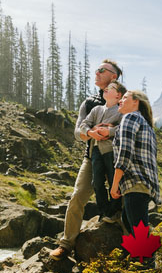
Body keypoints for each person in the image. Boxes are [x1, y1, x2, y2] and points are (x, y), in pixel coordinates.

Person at [50, 59, 123, 260]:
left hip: (121, 160)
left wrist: (110, 132)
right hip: (92, 158)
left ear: (113, 77)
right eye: (96, 69)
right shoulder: (90, 102)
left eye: (102, 70)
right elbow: (77, 132)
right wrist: (90, 133)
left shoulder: (125, 100)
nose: (97, 73)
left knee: (124, 198)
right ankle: (66, 244)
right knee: (77, 196)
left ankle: (133, 246)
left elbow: (136, 126)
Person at [110, 90, 161, 253]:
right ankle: (139, 269)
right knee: (134, 227)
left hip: (135, 182)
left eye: (125, 97)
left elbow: (125, 152)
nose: (120, 100)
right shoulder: (146, 125)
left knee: (140, 237)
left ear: (136, 102)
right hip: (143, 185)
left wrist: (115, 183)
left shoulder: (130, 118)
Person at [79, 80, 127, 223]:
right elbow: (83, 125)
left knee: (113, 181)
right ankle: (104, 211)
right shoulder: (96, 110)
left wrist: (109, 131)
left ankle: (114, 211)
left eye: (110, 88)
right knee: (96, 182)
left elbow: (123, 128)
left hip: (111, 151)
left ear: (118, 96)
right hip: (95, 150)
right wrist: (91, 132)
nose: (106, 89)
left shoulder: (121, 112)